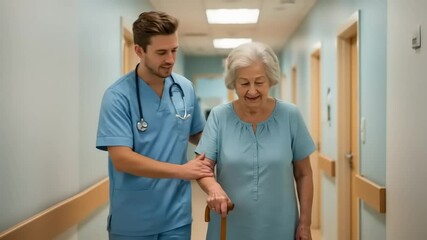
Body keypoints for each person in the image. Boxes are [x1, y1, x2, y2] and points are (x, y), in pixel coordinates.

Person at [96, 11, 213, 240]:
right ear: (139, 50)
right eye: (161, 52)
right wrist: (182, 171)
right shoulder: (117, 96)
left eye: (174, 50)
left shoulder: (184, 88)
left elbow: (199, 133)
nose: (170, 59)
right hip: (133, 220)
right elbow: (122, 159)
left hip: (176, 217)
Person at [196, 42, 315, 240]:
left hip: (281, 223)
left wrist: (305, 223)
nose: (252, 91)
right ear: (233, 83)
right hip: (229, 221)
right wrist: (213, 188)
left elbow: (304, 174)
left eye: (259, 82)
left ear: (271, 80)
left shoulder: (290, 116)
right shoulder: (219, 116)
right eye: (244, 83)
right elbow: (203, 167)